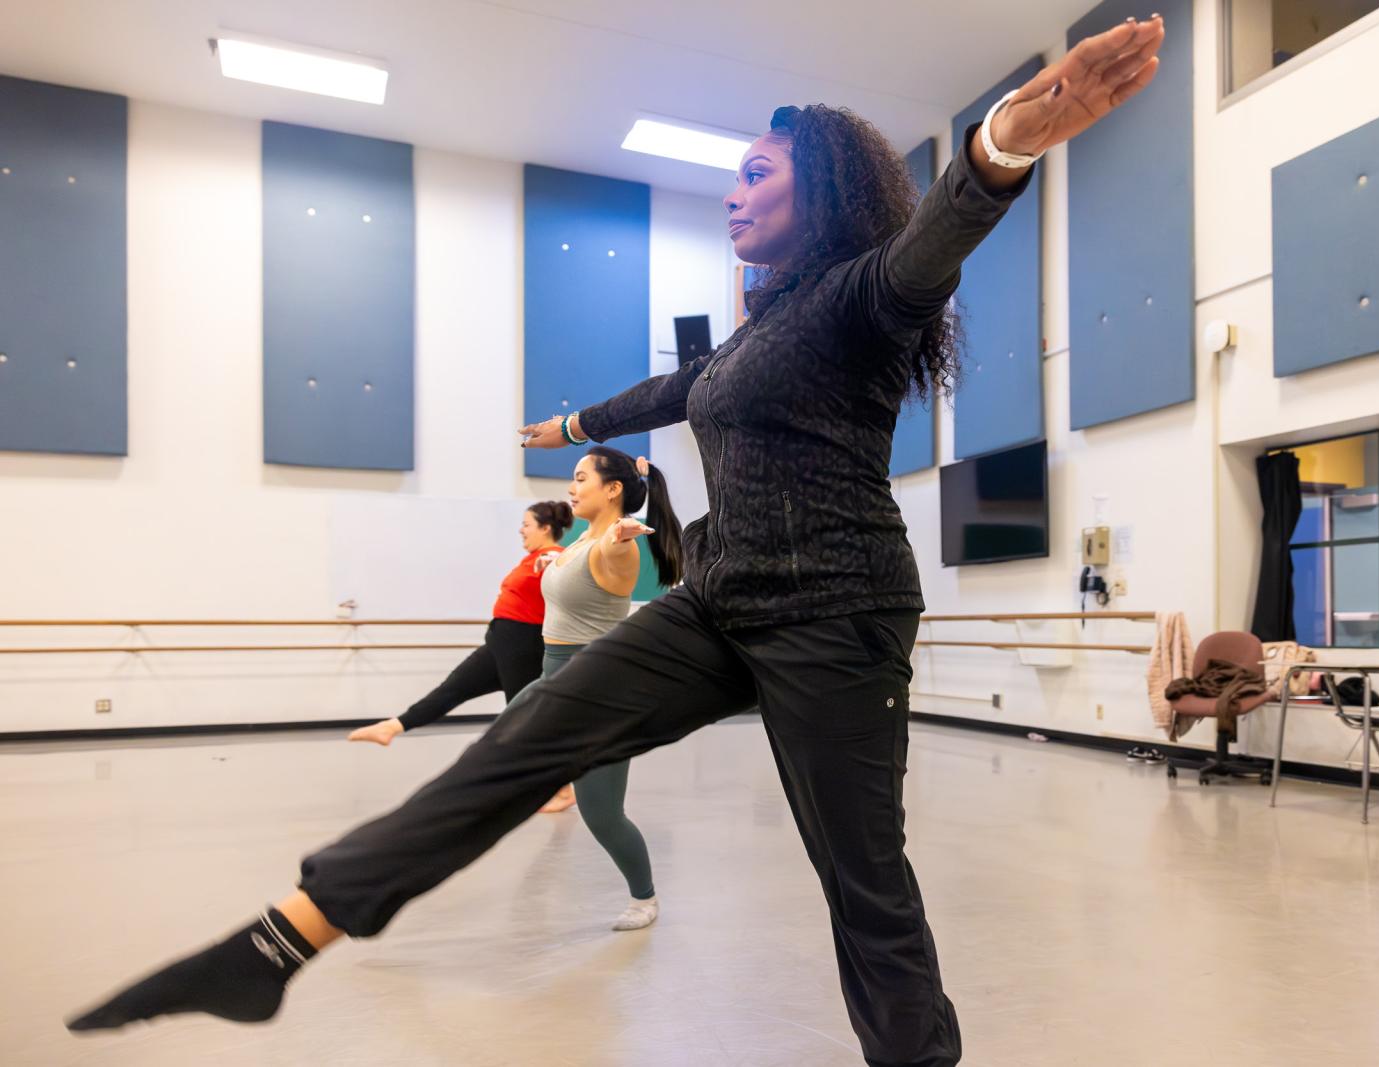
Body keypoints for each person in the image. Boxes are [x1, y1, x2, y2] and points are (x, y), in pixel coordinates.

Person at [67, 19, 1165, 1066]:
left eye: (757, 174)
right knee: (529, 733)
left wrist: (1000, 146)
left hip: (837, 611)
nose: (733, 194)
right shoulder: (758, 333)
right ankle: (279, 942)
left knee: (863, 880)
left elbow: (933, 244)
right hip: (720, 599)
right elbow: (666, 392)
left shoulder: (859, 300)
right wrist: (570, 426)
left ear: (824, 192)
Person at [524, 447, 683, 930]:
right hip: (555, 678)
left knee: (602, 815)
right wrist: (550, 563)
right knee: (494, 751)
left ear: (612, 489)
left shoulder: (617, 543)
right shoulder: (582, 538)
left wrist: (619, 539)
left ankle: (644, 899)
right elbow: (577, 572)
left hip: (597, 692)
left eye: (580, 478)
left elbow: (613, 553)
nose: (571, 488)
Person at [346, 498, 582, 812]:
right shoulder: (531, 558)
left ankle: (561, 788)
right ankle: (393, 726)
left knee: (524, 719)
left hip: (523, 646)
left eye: (526, 525)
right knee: (453, 689)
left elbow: (570, 572)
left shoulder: (553, 557)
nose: (521, 530)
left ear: (545, 528)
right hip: (500, 644)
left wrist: (559, 561)